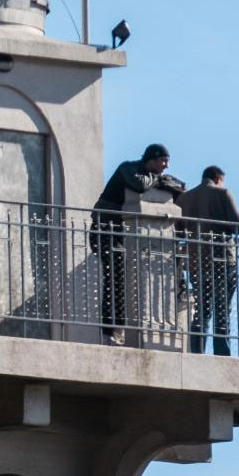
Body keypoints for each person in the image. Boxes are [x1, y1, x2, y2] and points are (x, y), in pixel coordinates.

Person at [91, 143, 185, 342]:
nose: (167, 165)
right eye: (163, 161)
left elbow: (180, 187)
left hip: (124, 233)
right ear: (152, 159)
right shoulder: (127, 168)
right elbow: (139, 184)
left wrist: (160, 181)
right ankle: (110, 328)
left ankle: (119, 327)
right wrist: (159, 181)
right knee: (115, 275)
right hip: (105, 229)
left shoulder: (151, 174)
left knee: (126, 277)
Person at [177, 165, 239, 356]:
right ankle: (222, 353)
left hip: (196, 260)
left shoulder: (184, 198)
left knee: (201, 308)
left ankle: (196, 351)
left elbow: (179, 230)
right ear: (218, 179)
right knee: (222, 309)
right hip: (222, 258)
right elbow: (238, 226)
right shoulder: (223, 193)